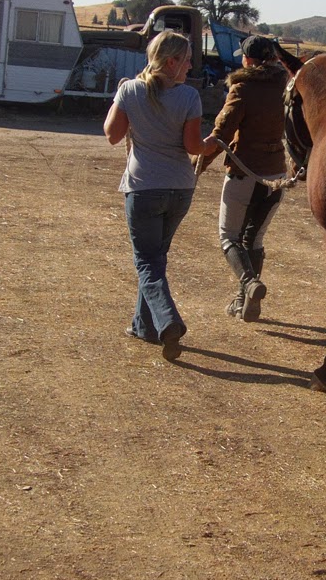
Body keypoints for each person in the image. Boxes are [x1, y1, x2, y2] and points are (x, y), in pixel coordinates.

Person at [104, 30, 205, 361]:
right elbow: (192, 147)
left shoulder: (130, 91)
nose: (190, 66)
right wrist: (214, 145)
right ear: (171, 61)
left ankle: (167, 321)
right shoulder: (189, 97)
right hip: (180, 189)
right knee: (155, 260)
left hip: (144, 188)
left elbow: (112, 135)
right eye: (187, 59)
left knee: (147, 261)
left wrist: (121, 99)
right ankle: (143, 326)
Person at [201, 35, 290, 322]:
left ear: (248, 60)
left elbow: (222, 133)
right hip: (276, 174)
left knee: (229, 236)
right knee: (255, 238)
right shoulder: (287, 85)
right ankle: (244, 299)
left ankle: (250, 285)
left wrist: (198, 163)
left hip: (245, 172)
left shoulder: (243, 87)